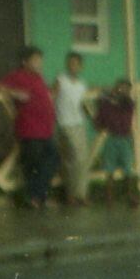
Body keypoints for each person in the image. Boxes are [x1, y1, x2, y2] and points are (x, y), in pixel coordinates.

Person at [0, 45, 57, 209]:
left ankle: (39, 196)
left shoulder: (39, 78)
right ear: (25, 62)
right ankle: (34, 198)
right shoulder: (17, 76)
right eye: (35, 60)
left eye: (40, 60)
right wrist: (15, 93)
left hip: (45, 129)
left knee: (52, 159)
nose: (39, 63)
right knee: (34, 164)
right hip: (30, 128)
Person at [54, 51, 93, 206]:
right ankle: (71, 194)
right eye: (70, 63)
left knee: (82, 160)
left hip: (79, 123)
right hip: (64, 123)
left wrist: (92, 116)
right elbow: (52, 97)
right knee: (72, 158)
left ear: (80, 66)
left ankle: (81, 195)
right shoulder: (60, 80)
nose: (73, 66)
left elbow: (83, 103)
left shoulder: (82, 84)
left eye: (76, 63)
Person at [93, 78, 137, 202]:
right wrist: (105, 98)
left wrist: (107, 97)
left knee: (128, 169)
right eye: (120, 88)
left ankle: (131, 195)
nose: (123, 91)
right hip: (111, 138)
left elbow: (126, 102)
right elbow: (99, 123)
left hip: (125, 139)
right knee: (109, 169)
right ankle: (109, 197)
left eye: (126, 89)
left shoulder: (129, 104)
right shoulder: (105, 105)